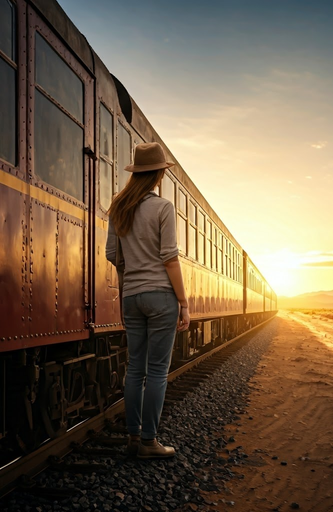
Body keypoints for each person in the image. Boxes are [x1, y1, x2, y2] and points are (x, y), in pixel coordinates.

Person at [106, 142, 190, 459]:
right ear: (158, 175)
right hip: (160, 298)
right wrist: (184, 302)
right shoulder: (162, 208)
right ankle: (148, 442)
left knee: (134, 370)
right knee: (156, 372)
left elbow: (114, 257)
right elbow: (170, 258)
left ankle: (131, 437)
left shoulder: (119, 207)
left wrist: (124, 296)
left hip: (131, 296)